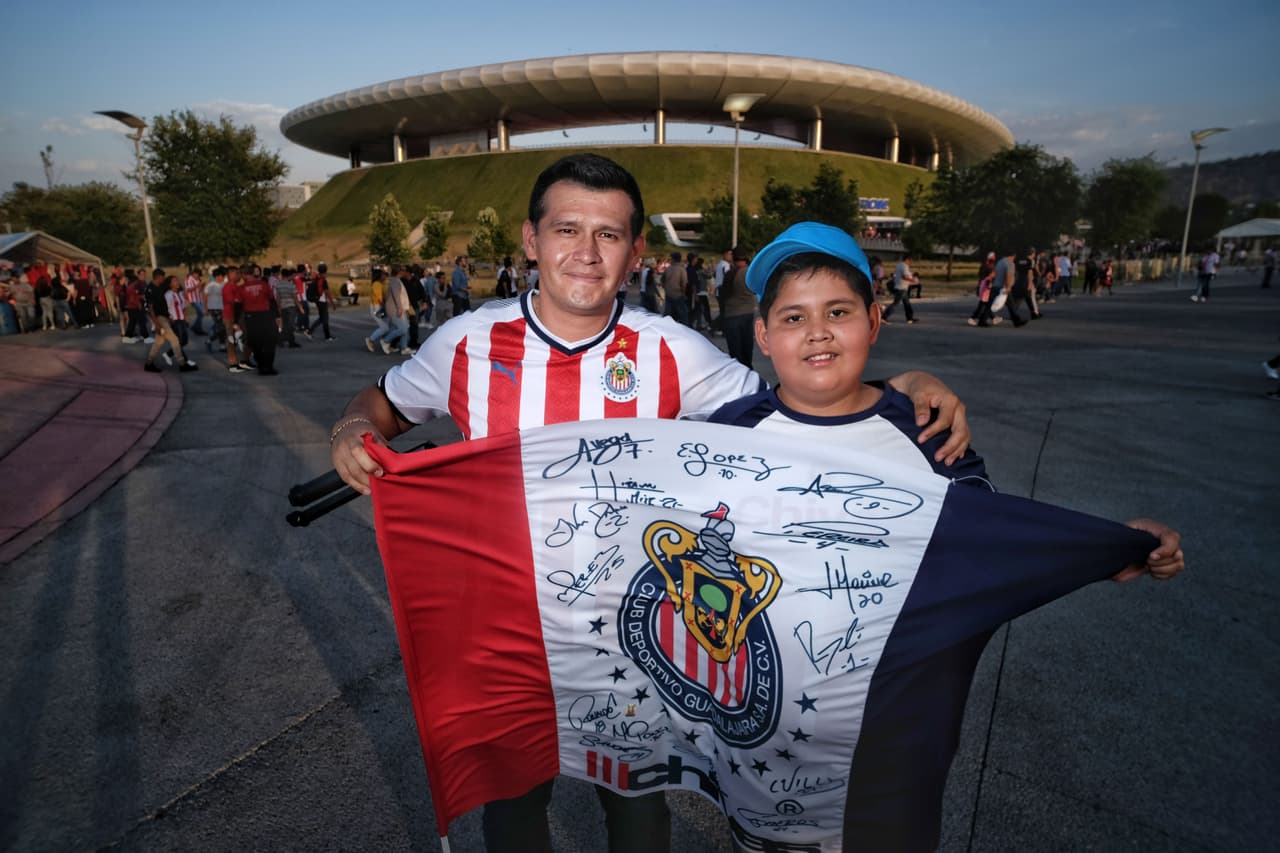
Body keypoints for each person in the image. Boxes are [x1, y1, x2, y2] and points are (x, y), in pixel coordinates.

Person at [329, 153, 974, 853]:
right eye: (567, 228)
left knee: (637, 814)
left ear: (636, 250)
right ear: (530, 239)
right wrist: (352, 427)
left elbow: (789, 417)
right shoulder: (467, 342)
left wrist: (894, 384)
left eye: (608, 234)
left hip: (627, 638)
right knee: (512, 812)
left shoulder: (672, 350)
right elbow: (384, 406)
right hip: (505, 631)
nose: (585, 251)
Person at [708, 221, 1183, 852]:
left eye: (839, 311)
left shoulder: (929, 434)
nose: (817, 331)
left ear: (875, 322)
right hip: (768, 740)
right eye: (792, 318)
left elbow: (991, 543)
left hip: (892, 738)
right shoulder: (723, 437)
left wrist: (1109, 545)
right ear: (763, 336)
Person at [143, 268, 198, 374]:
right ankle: (182, 364)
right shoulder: (150, 289)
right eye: (163, 278)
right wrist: (156, 324)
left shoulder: (160, 287)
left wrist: (169, 317)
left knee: (159, 343)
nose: (164, 280)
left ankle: (149, 363)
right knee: (175, 340)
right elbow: (150, 308)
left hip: (165, 317)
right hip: (159, 318)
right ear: (158, 277)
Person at [229, 264, 280, 375]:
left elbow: (237, 306)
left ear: (243, 275)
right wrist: (277, 316)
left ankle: (262, 366)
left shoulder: (241, 288)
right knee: (269, 342)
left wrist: (236, 322)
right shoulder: (264, 285)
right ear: (253, 273)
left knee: (255, 343)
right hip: (266, 316)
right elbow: (272, 301)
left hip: (251, 317)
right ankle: (269, 366)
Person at [719, 247, 756, 367]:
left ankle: (739, 375)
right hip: (748, 312)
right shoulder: (751, 273)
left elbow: (723, 294)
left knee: (735, 351)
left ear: (734, 258)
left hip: (732, 314)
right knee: (747, 347)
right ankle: (749, 370)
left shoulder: (731, 273)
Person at [882, 253, 918, 324]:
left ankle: (910, 318)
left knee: (907, 303)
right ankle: (884, 317)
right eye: (910, 261)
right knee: (896, 303)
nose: (911, 262)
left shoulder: (899, 265)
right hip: (901, 287)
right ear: (907, 259)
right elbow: (905, 276)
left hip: (901, 287)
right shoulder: (904, 266)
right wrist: (913, 280)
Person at [307, 263, 335, 341]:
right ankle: (327, 336)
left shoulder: (316, 278)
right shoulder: (323, 280)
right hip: (322, 301)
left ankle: (310, 331)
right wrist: (332, 303)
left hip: (317, 300)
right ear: (325, 271)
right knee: (325, 319)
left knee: (322, 318)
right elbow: (327, 292)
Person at [661, 250, 688, 325]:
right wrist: (683, 293)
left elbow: (662, 280)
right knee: (683, 314)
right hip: (678, 294)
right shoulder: (682, 269)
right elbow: (684, 283)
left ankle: (665, 327)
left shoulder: (668, 269)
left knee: (668, 313)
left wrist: (666, 288)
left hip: (668, 294)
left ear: (673, 259)